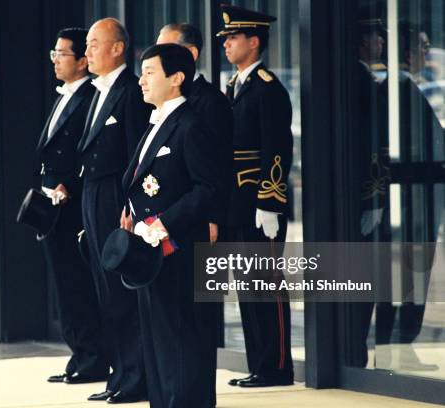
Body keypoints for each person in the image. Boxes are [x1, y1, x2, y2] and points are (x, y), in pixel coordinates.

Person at [120, 42, 219, 408]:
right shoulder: (156, 121)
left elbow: (207, 189)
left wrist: (164, 221)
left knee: (181, 337)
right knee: (156, 337)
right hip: (149, 250)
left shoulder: (190, 125)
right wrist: (130, 212)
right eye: (142, 72)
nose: (142, 81)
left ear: (176, 78)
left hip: (178, 249)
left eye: (150, 73)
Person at [74, 17, 151, 404]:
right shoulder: (96, 91)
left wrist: (131, 208)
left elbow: (137, 156)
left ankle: (136, 377)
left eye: (93, 43)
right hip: (92, 193)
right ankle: (119, 374)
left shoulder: (131, 91)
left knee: (122, 291)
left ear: (117, 48)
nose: (86, 51)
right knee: (104, 290)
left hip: (115, 199)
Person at [218, 5, 294, 387]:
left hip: (258, 202)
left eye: (233, 38)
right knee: (247, 288)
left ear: (254, 41)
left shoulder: (267, 88)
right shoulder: (235, 85)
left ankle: (277, 366)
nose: (227, 44)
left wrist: (271, 201)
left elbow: (277, 149)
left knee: (266, 286)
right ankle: (259, 365)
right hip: (236, 203)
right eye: (226, 39)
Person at [156, 23, 232, 403]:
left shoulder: (207, 101)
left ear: (188, 57)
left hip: (199, 223)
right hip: (172, 222)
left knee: (196, 318)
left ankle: (196, 395)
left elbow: (215, 169)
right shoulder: (163, 106)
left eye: (164, 52)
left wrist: (214, 218)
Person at [35, 27, 108, 385]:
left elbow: (92, 155)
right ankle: (78, 354)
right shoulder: (64, 95)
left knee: (79, 284)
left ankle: (93, 357)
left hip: (75, 205)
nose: (55, 59)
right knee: (63, 285)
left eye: (62, 53)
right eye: (55, 52)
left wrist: (71, 187)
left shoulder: (92, 97)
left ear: (82, 61)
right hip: (53, 205)